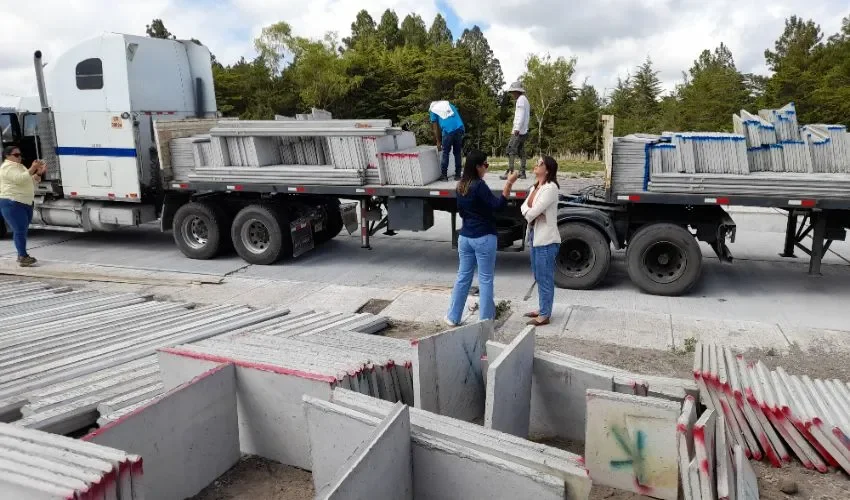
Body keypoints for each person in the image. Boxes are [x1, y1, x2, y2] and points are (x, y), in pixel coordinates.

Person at [446, 151, 518, 326]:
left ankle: (453, 317)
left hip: (465, 237)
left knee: (463, 277)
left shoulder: (460, 185)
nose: (486, 168)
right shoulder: (479, 186)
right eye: (485, 165)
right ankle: (485, 319)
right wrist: (509, 183)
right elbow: (498, 206)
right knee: (485, 278)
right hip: (484, 236)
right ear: (477, 167)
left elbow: (462, 212)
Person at [520, 156, 561, 326]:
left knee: (545, 278)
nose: (536, 165)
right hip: (535, 236)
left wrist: (530, 212)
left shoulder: (550, 188)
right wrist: (531, 212)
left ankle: (545, 314)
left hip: (546, 239)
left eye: (541, 163)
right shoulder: (535, 187)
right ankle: (542, 307)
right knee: (538, 275)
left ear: (548, 169)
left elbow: (530, 212)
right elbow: (523, 207)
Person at [0, 146, 45, 267]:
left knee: (22, 230)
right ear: (7, 156)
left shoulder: (19, 167)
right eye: (16, 155)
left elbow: (30, 181)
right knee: (20, 230)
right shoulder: (7, 167)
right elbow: (20, 179)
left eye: (20, 154)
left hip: (24, 202)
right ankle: (22, 256)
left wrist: (38, 173)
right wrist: (33, 168)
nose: (19, 157)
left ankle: (22, 255)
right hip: (12, 202)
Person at [500, 81, 531, 180]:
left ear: (517, 91)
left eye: (513, 92)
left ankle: (510, 171)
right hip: (523, 130)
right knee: (521, 151)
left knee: (510, 150)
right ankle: (522, 172)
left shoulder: (521, 100)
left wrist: (516, 128)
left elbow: (520, 115)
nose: (512, 94)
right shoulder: (524, 99)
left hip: (519, 131)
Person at [429, 100, 465, 181]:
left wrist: (438, 141)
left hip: (448, 130)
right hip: (459, 128)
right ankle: (458, 175)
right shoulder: (448, 104)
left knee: (445, 153)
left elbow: (435, 128)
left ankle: (444, 176)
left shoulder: (433, 109)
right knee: (457, 153)